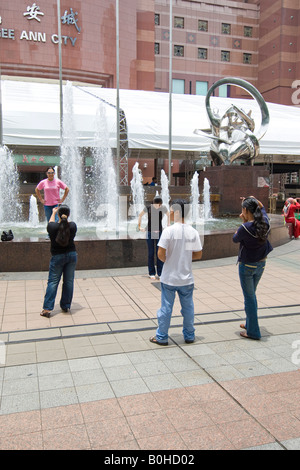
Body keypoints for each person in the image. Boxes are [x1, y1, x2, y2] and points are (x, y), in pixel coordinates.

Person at [149, 199, 202, 346]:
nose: (169, 212)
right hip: (186, 279)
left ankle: (161, 337)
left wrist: (170, 260)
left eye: (171, 210)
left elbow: (160, 253)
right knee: (188, 308)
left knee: (166, 308)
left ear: (177, 212)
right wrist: (184, 257)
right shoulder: (193, 231)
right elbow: (198, 255)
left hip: (169, 278)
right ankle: (190, 335)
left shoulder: (169, 231)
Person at [233, 196, 273, 340]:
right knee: (251, 295)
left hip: (247, 266)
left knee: (250, 298)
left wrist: (243, 220)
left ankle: (253, 332)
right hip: (261, 264)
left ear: (245, 210)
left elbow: (235, 238)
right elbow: (261, 207)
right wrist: (253, 200)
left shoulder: (245, 227)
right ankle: (250, 324)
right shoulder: (265, 222)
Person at [40, 205, 77, 318]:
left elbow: (50, 222)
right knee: (69, 281)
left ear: (59, 215)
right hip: (71, 255)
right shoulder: (73, 226)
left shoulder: (52, 228)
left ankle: (47, 309)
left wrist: (53, 213)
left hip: (57, 257)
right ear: (69, 215)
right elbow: (66, 223)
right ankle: (65, 306)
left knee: (53, 282)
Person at [137, 196, 169, 280]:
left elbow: (169, 215)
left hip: (159, 232)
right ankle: (151, 273)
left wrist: (168, 226)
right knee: (151, 253)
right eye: (157, 204)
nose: (159, 206)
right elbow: (140, 215)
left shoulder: (163, 208)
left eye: (160, 204)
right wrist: (139, 227)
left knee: (159, 253)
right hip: (150, 232)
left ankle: (160, 273)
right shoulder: (148, 208)